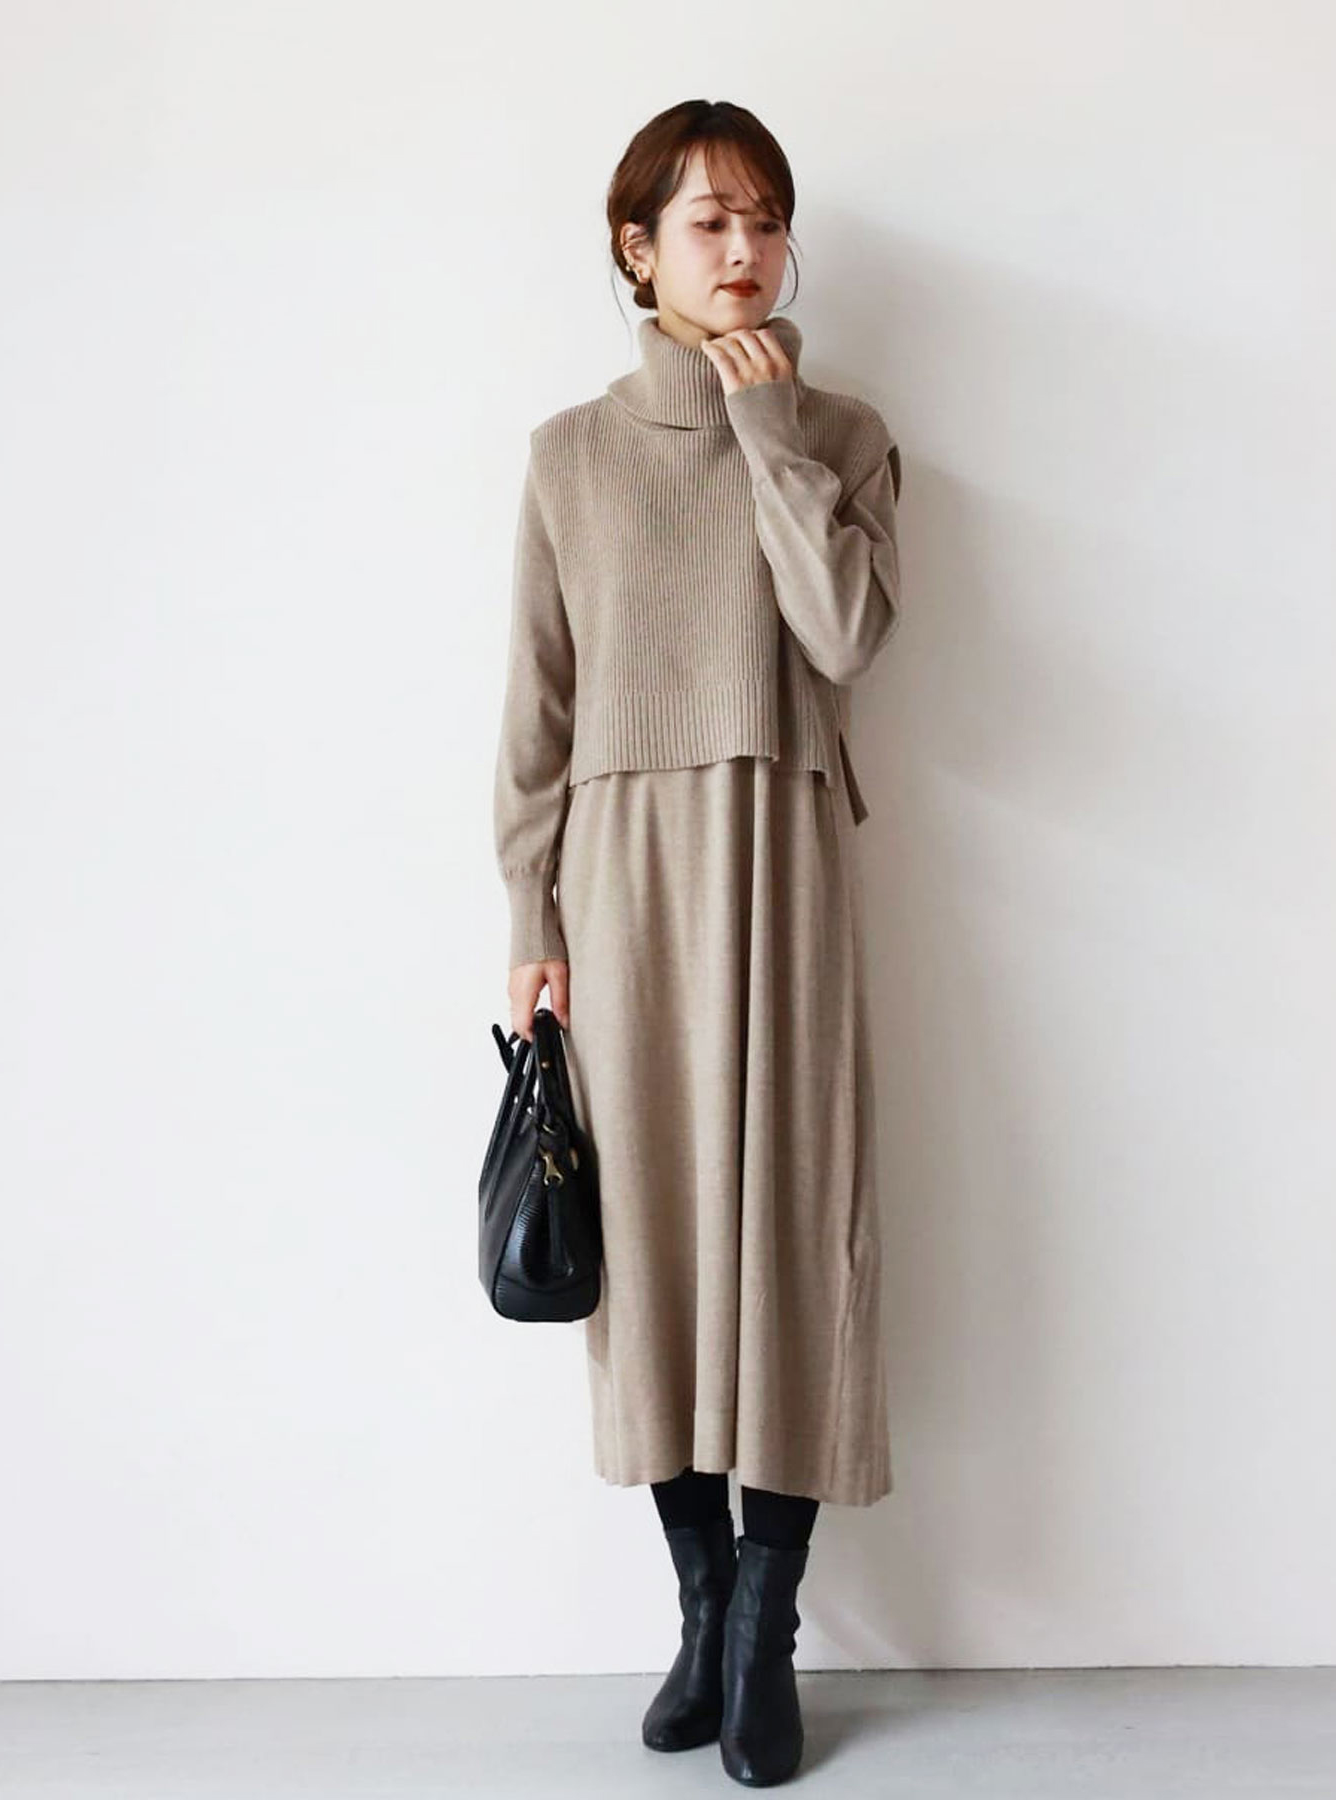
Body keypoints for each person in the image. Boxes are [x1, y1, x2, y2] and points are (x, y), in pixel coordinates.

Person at [492, 99, 903, 1787]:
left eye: (764, 220)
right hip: (623, 880)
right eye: (708, 221)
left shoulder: (843, 432)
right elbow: (537, 709)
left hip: (783, 859)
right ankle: (700, 1601)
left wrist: (771, 432)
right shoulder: (569, 456)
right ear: (637, 246)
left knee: (793, 1226)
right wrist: (528, 914)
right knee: (650, 1241)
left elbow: (847, 634)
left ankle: (767, 1627)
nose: (744, 251)